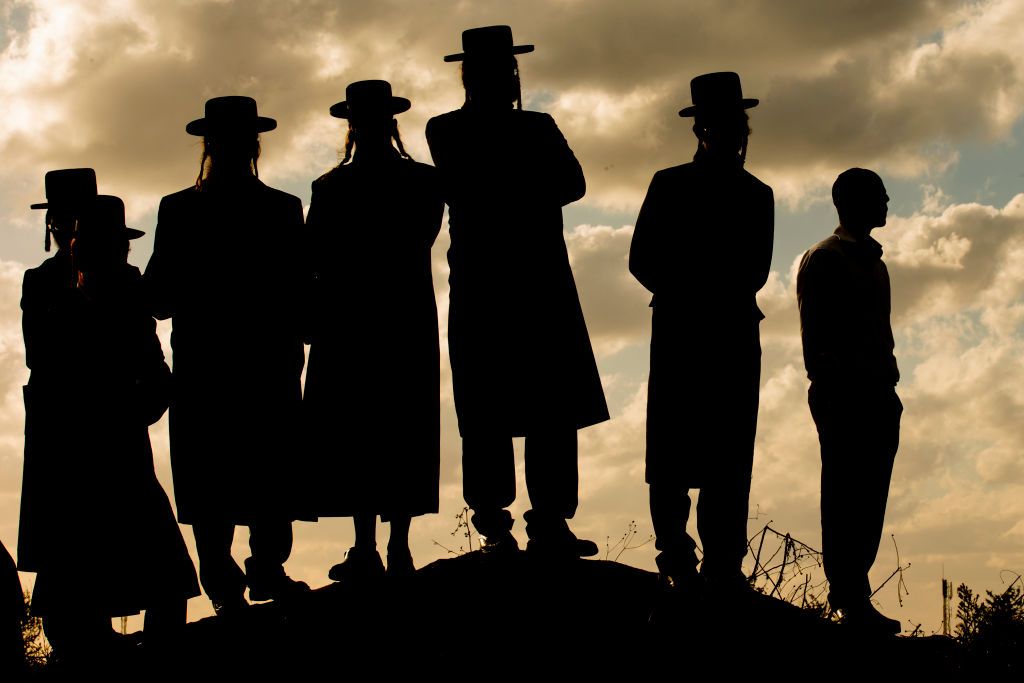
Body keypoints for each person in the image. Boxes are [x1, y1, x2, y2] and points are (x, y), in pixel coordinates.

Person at [427, 26, 609, 558]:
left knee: (525, 407)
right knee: (500, 407)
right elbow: (565, 184)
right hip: (518, 283)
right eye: (502, 69)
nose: (509, 77)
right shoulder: (492, 129)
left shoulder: (462, 130)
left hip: (506, 284)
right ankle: (508, 522)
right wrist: (527, 178)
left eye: (509, 69)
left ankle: (527, 521)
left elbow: (573, 184)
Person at [19, 183, 199, 663]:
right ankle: (93, 644)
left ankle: (144, 649)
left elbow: (153, 363)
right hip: (80, 444)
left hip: (112, 440)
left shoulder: (128, 292)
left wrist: (147, 400)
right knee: (86, 553)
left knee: (152, 561)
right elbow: (49, 361)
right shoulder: (53, 293)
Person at [144, 97, 309, 614]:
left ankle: (225, 581)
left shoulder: (179, 210)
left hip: (207, 368)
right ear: (254, 145)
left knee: (211, 477)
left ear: (208, 146)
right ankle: (264, 569)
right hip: (265, 364)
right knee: (266, 468)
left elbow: (158, 298)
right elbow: (304, 293)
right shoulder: (282, 208)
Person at [629, 72, 774, 591]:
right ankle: (677, 553)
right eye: (720, 123)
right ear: (702, 129)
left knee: (726, 453)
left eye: (735, 124)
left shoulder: (757, 194)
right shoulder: (672, 185)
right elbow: (640, 258)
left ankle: (719, 561)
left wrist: (686, 290)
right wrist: (697, 292)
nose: (730, 133)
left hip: (715, 329)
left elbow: (756, 268)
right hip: (694, 328)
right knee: (676, 450)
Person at [304, 80, 443, 579]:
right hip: (399, 314)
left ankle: (375, 546)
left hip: (352, 318)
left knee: (363, 425)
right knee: (394, 423)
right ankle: (388, 546)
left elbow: (314, 257)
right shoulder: (423, 182)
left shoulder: (330, 187)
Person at [796, 168, 902, 635]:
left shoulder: (874, 262)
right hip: (845, 396)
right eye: (878, 195)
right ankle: (847, 596)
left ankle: (856, 592)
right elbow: (816, 339)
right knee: (844, 494)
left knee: (870, 495)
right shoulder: (824, 259)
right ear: (853, 201)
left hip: (878, 393)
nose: (886, 201)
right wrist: (840, 385)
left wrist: (888, 388)